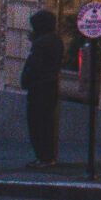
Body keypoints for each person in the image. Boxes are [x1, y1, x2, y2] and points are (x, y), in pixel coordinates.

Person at [21, 10, 64, 169]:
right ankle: (46, 156)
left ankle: (44, 157)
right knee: (46, 123)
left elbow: (35, 66)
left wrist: (26, 80)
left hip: (40, 88)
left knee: (38, 124)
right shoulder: (56, 40)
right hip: (50, 86)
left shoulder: (41, 43)